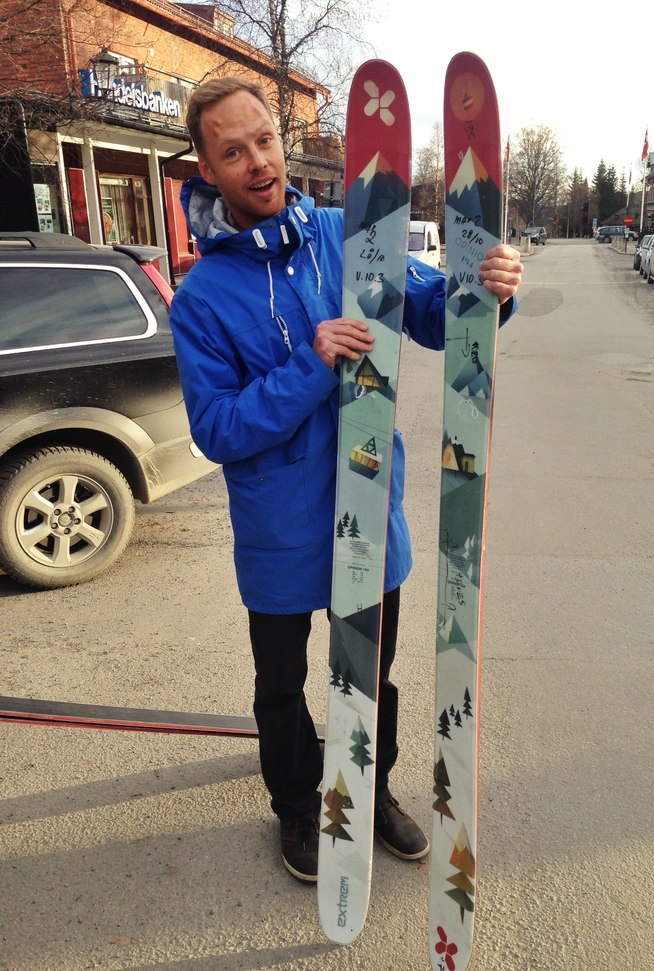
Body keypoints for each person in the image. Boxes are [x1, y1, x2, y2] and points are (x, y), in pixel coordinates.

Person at [169, 76, 523, 884]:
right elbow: (217, 427)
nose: (259, 162)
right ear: (208, 169)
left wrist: (487, 290)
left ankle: (370, 784)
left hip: (370, 507)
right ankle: (299, 806)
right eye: (234, 152)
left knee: (369, 671)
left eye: (265, 139)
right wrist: (312, 363)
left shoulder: (349, 234)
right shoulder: (202, 297)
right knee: (283, 682)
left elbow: (432, 313)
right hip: (279, 531)